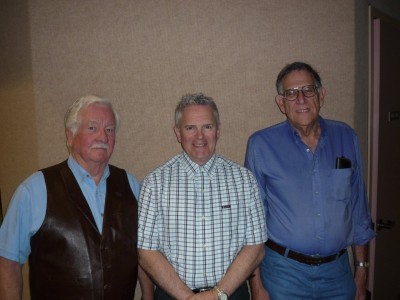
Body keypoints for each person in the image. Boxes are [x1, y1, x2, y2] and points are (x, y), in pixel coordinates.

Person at [245, 62, 376, 300]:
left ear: (321, 95)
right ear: (281, 103)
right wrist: (256, 284)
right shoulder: (261, 145)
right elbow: (251, 222)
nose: (301, 99)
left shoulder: (347, 137)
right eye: (291, 94)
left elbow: (358, 210)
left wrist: (361, 271)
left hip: (338, 273)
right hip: (282, 274)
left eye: (308, 90)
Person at [0, 94, 141, 299]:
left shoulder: (132, 185)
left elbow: (146, 252)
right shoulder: (35, 189)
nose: (103, 137)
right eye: (92, 128)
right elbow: (8, 262)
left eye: (109, 129)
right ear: (69, 136)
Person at [138, 92, 267, 300]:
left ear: (218, 131)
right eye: (190, 128)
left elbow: (256, 247)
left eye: (207, 126)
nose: (200, 136)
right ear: (178, 133)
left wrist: (217, 294)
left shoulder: (244, 180)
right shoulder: (155, 183)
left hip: (231, 294)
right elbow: (146, 251)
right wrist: (188, 298)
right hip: (173, 295)